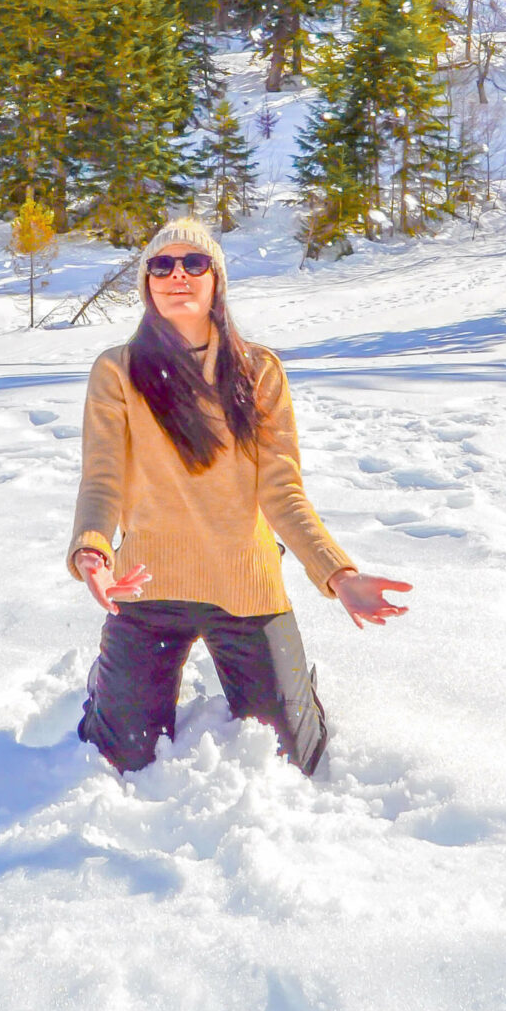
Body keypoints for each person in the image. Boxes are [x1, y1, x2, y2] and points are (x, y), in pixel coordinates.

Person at [69, 217, 411, 775]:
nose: (177, 275)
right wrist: (92, 552)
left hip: (244, 580)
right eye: (161, 265)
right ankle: (110, 681)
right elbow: (102, 478)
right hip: (149, 585)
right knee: (122, 753)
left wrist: (338, 574)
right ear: (147, 284)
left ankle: (293, 677)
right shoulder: (118, 370)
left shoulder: (258, 370)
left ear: (216, 281)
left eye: (193, 264)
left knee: (292, 758)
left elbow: (282, 492)